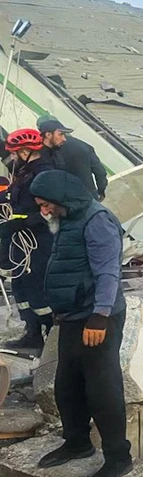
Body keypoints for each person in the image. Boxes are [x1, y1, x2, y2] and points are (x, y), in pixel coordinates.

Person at [30, 170, 133, 477]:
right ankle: (77, 441)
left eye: (46, 204)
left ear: (62, 198)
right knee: (67, 384)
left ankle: (118, 456)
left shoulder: (96, 219)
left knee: (102, 389)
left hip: (97, 319)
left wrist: (99, 316)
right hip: (74, 317)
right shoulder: (69, 218)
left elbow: (107, 273)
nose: (44, 211)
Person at [1, 129, 55, 350]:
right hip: (20, 238)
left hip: (37, 239)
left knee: (37, 286)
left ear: (26, 151)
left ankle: (52, 334)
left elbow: (50, 210)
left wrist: (21, 223)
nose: (12, 157)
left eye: (15, 152)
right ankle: (32, 332)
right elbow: (15, 197)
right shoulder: (25, 171)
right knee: (20, 284)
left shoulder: (44, 174)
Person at [36, 115, 109, 201]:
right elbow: (100, 172)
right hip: (88, 198)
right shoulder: (83, 146)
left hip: (64, 202)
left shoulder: (41, 153)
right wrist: (101, 190)